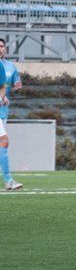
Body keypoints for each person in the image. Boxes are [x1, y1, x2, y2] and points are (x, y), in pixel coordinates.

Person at [0, 39, 22, 191]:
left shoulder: (8, 67)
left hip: (3, 111)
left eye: (1, 46)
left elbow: (5, 86)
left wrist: (3, 95)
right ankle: (8, 180)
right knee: (4, 141)